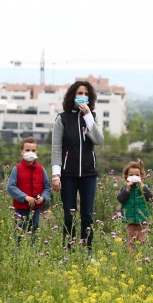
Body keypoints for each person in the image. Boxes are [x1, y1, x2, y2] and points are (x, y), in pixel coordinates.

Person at [51, 80, 104, 251]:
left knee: (87, 215)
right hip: (68, 175)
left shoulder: (93, 117)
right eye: (79, 93)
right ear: (73, 95)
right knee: (69, 215)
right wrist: (56, 174)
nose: (83, 97)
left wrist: (88, 116)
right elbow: (56, 148)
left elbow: (98, 140)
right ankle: (68, 250)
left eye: (86, 94)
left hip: (89, 174)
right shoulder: (63, 118)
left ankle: (88, 250)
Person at [6, 137, 51, 240]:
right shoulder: (16, 169)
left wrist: (43, 198)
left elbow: (47, 187)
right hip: (20, 209)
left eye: (33, 150)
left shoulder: (41, 169)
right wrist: (25, 197)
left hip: (35, 210)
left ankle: (33, 255)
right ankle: (17, 255)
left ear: (36, 152)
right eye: (27, 150)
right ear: (21, 152)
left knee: (34, 236)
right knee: (18, 236)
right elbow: (10, 187)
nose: (30, 152)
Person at [117, 160, 153, 251]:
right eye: (131, 175)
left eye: (137, 175)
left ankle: (142, 259)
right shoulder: (124, 188)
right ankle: (131, 260)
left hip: (143, 221)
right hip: (130, 221)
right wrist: (127, 189)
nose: (134, 177)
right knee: (129, 243)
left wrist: (142, 186)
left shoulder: (145, 187)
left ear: (141, 176)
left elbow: (150, 198)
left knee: (143, 242)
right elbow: (121, 199)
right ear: (126, 177)